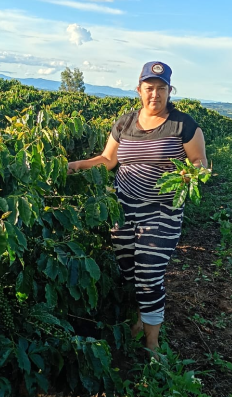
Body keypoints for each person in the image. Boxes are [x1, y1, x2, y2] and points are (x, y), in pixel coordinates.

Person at [67, 61, 208, 352]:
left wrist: (192, 174)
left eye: (161, 88)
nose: (155, 94)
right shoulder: (126, 122)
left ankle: (152, 343)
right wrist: (74, 166)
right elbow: (108, 160)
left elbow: (200, 163)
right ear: (139, 90)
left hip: (162, 211)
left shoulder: (184, 125)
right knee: (129, 270)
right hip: (123, 209)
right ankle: (141, 318)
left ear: (170, 91)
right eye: (149, 88)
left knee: (150, 273)